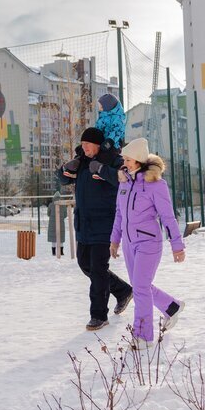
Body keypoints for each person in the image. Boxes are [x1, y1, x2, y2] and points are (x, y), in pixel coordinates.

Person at [109, 138, 186, 347]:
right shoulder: (124, 183)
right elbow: (118, 214)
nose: (125, 163)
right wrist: (114, 240)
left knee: (140, 287)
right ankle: (172, 307)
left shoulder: (155, 184)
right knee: (140, 285)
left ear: (140, 160)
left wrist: (177, 245)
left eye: (129, 159)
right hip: (129, 243)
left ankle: (142, 335)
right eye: (124, 159)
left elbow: (168, 217)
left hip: (148, 242)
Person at [57, 127, 133, 331]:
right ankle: (123, 290)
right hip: (84, 224)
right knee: (85, 265)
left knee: (98, 270)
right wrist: (66, 167)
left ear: (98, 144)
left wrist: (101, 169)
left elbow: (124, 179)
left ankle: (99, 315)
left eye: (87, 144)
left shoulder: (112, 160)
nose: (84, 147)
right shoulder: (81, 161)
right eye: (82, 144)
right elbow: (63, 179)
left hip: (104, 224)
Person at [46, 191, 67, 256]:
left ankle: (54, 252)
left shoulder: (51, 204)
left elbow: (48, 214)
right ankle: (61, 251)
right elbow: (65, 215)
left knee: (53, 238)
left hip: (52, 224)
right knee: (61, 237)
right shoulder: (63, 205)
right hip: (61, 223)